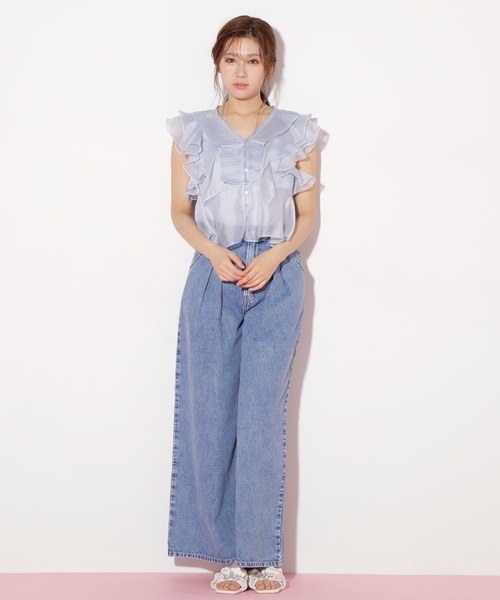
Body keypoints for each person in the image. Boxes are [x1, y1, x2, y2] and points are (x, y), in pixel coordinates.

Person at [165, 15, 322, 595]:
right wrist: (213, 253)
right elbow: (179, 211)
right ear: (217, 64)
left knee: (260, 417)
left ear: (268, 68)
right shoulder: (192, 132)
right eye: (231, 58)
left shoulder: (298, 133)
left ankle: (261, 556)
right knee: (209, 414)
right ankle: (225, 554)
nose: (241, 71)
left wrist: (276, 257)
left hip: (276, 278)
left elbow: (307, 218)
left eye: (252, 60)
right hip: (214, 273)